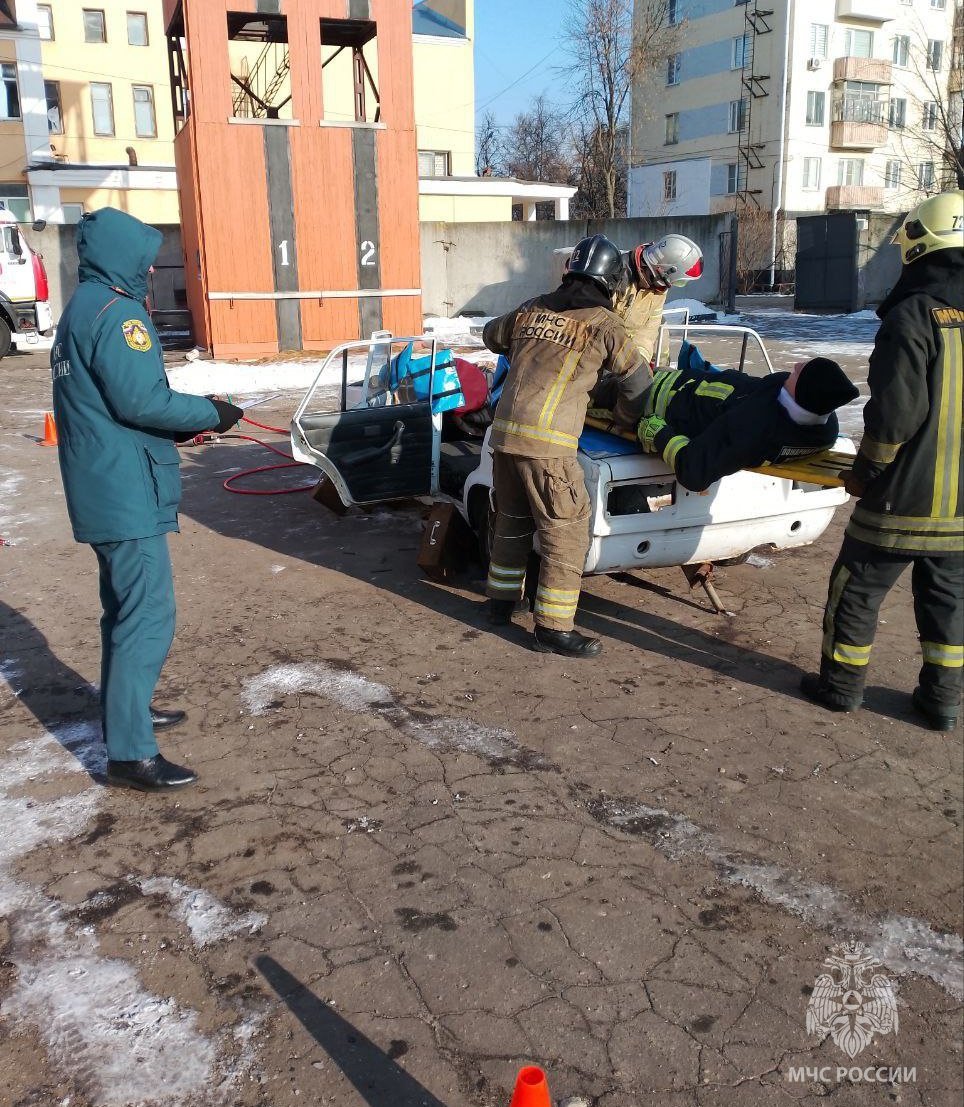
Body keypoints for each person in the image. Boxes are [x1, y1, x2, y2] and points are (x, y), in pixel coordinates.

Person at [52, 207, 244, 790]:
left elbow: (126, 398)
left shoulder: (82, 307)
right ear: (126, 259)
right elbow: (144, 402)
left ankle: (125, 714)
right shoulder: (118, 313)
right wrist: (213, 413)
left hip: (103, 482)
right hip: (124, 489)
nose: (152, 267)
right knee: (148, 616)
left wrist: (188, 419)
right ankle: (131, 752)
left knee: (123, 612)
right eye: (147, 258)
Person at [800, 189, 963, 730]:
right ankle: (942, 703)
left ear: (921, 245)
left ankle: (841, 686)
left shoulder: (915, 315)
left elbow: (895, 413)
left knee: (858, 587)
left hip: (903, 496)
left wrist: (866, 472)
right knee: (949, 602)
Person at [481, 233, 651, 658]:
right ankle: (554, 628)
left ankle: (500, 604)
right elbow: (638, 381)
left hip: (504, 436)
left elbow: (490, 336)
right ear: (612, 282)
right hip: (550, 446)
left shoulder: (532, 308)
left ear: (570, 272)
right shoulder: (604, 324)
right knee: (566, 530)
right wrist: (626, 422)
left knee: (512, 519)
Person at [630, 344, 859, 491]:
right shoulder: (822, 422)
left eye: (800, 372)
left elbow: (695, 471)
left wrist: (660, 434)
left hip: (647, 400)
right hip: (675, 381)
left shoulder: (752, 429)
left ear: (803, 393)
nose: (795, 365)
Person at [614, 234, 704, 365]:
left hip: (626, 356)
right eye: (679, 282)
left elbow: (648, 332)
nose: (672, 285)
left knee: (662, 333)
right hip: (604, 355)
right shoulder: (616, 275)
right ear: (663, 269)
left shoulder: (657, 288)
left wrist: (640, 365)